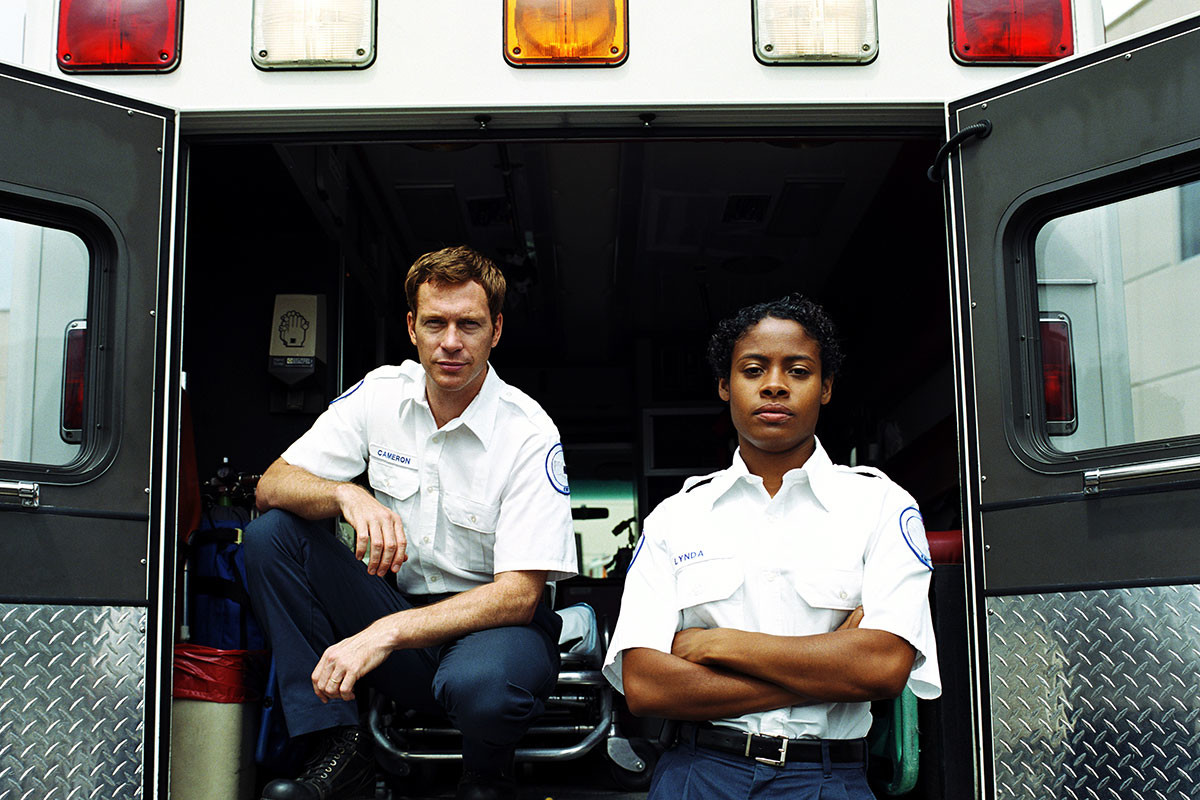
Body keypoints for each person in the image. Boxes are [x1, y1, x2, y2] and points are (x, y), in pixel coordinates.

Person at [244, 246, 577, 800]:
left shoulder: (528, 431)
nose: (451, 342)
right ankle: (339, 747)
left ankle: (487, 773)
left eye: (469, 324)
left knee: (483, 686)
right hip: (397, 612)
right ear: (411, 327)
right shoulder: (380, 395)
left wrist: (383, 633)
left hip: (495, 631)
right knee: (271, 536)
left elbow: (519, 596)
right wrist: (345, 494)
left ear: (496, 330)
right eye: (435, 323)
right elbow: (272, 485)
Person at [602, 295, 941, 799]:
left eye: (798, 371)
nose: (775, 385)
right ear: (725, 385)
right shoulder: (676, 517)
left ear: (826, 387)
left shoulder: (880, 506)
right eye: (753, 369)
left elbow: (883, 667)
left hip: (827, 780)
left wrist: (719, 644)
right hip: (699, 774)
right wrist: (829, 670)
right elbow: (647, 686)